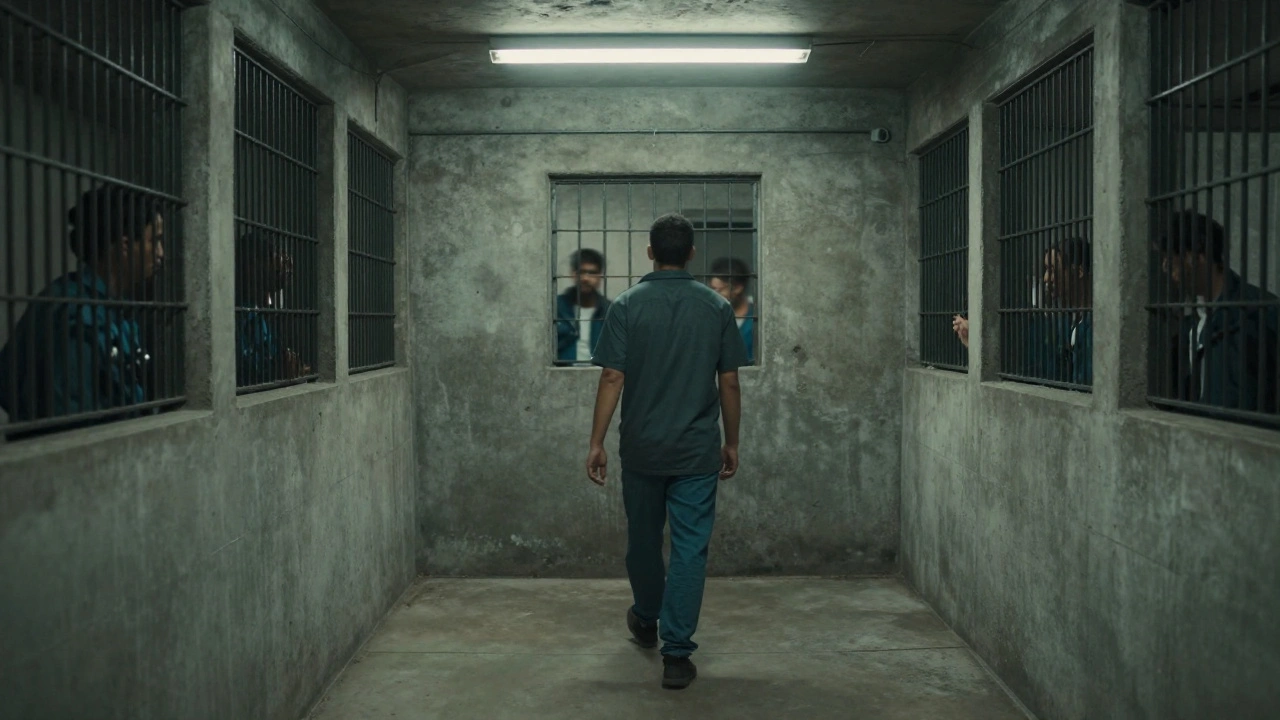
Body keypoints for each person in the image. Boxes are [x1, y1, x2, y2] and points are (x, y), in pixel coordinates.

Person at [585, 213, 748, 690]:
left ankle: (646, 616)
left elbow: (613, 376)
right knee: (689, 549)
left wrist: (596, 442)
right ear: (692, 254)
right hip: (697, 451)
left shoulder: (628, 306)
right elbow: (731, 381)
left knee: (642, 540)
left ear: (651, 252)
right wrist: (731, 441)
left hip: (642, 449)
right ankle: (677, 655)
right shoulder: (715, 307)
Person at [0, 185, 164, 433]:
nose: (162, 253)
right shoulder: (77, 313)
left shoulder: (115, 310)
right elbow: (72, 420)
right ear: (125, 245)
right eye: (156, 241)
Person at [1156, 211, 1278, 415]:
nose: (1166, 269)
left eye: (1171, 259)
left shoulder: (1259, 312)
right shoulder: (1195, 319)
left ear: (1197, 256)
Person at [235, 232, 308, 386]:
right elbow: (245, 373)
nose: (283, 262)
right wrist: (279, 370)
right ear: (252, 264)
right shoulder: (241, 315)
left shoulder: (262, 314)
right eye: (272, 255)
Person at [555, 248, 611, 365]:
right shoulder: (557, 308)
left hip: (599, 377)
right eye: (581, 272)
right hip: (562, 376)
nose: (585, 278)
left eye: (592, 273)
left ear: (601, 276)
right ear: (573, 274)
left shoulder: (610, 311)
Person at [708, 257, 756, 364]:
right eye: (712, 289)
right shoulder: (709, 314)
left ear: (738, 288)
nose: (714, 295)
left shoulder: (756, 316)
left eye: (719, 290)